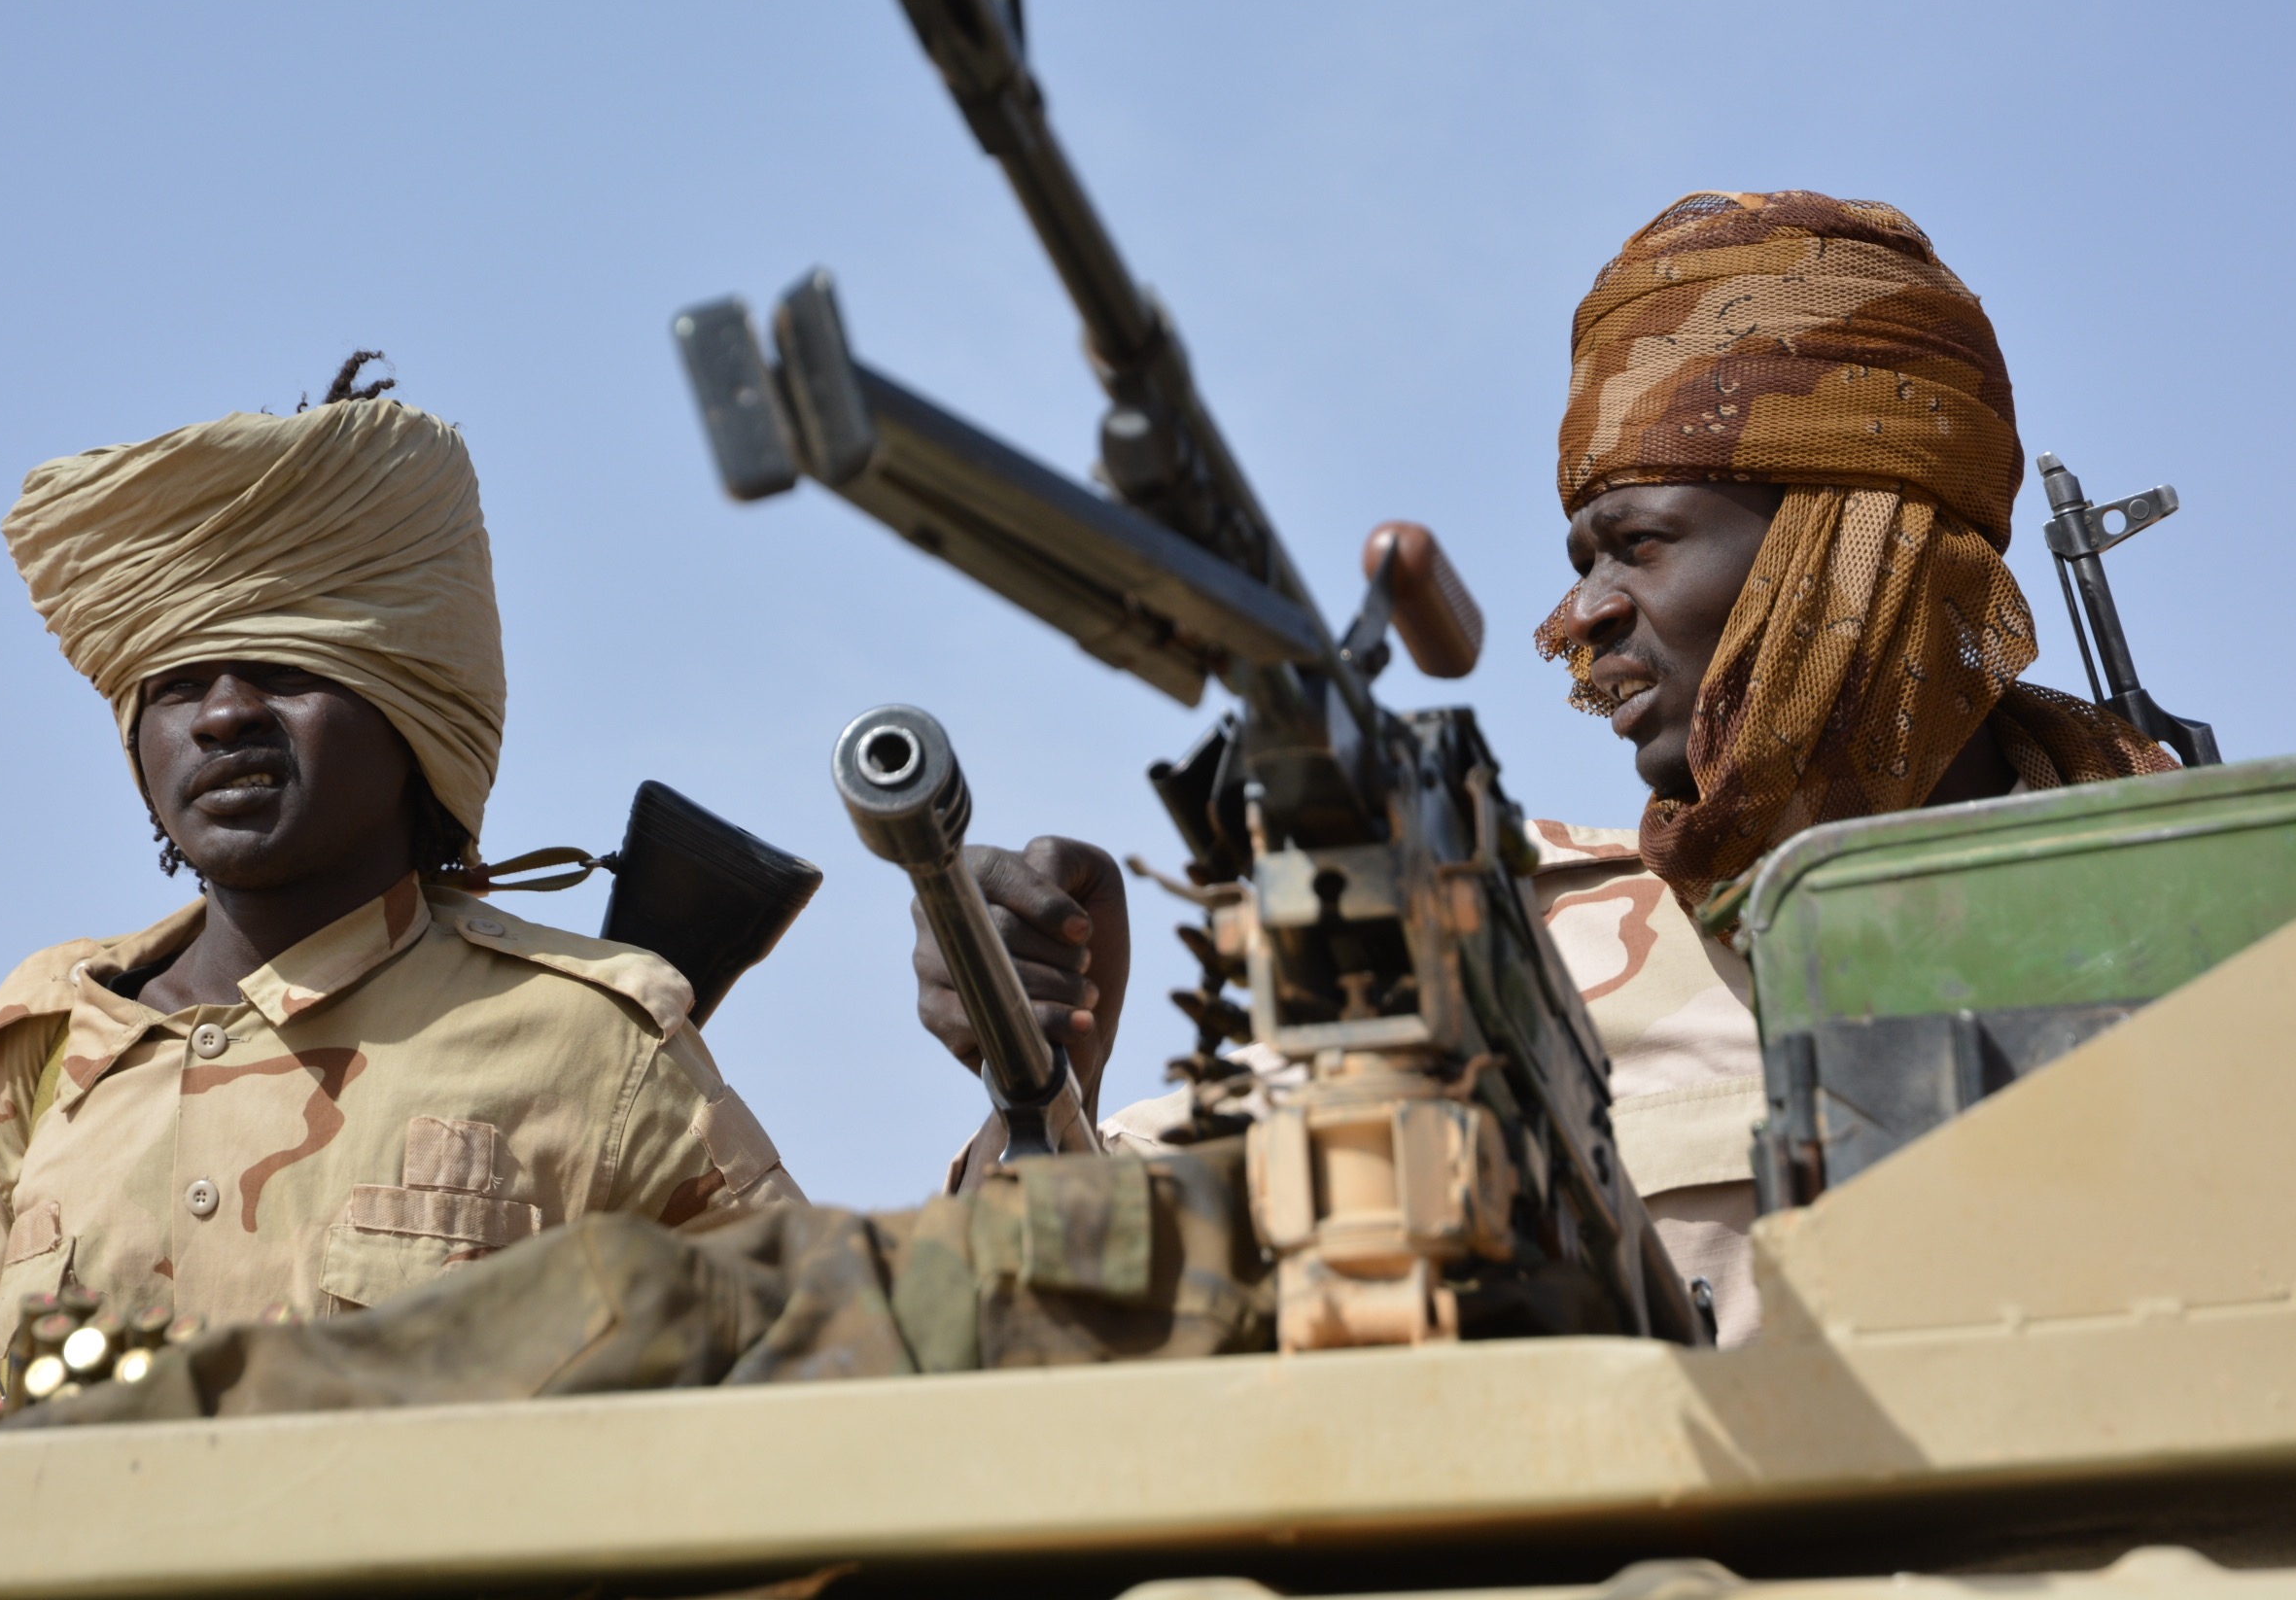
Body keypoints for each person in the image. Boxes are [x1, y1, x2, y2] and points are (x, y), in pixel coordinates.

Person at [913, 191, 2174, 1344]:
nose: (1580, 619)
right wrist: (1041, 1088)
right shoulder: (1496, 955)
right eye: (1582, 558)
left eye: (1638, 546)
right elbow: (1050, 1314)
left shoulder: (2224, 910)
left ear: (1843, 540)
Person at [0, 359, 796, 1430]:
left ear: (412, 708)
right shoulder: (41, 1047)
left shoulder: (590, 1044)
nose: (225, 713)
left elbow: (818, 1387)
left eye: (286, 668)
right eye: (181, 679)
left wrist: (1025, 1099)